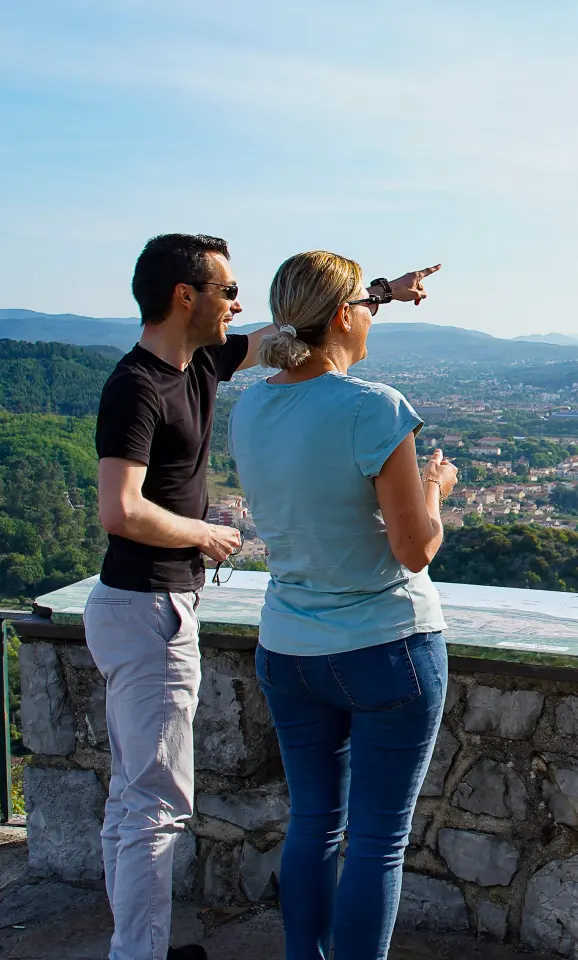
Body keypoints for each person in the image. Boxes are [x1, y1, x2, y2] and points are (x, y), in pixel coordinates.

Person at [229, 251, 453, 960]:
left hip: (289, 648)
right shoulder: (374, 408)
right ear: (342, 317)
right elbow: (415, 549)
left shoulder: (253, 403)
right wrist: (435, 488)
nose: (372, 317)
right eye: (367, 305)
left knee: (313, 824)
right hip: (387, 645)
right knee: (377, 841)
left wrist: (382, 289)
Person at [89, 233, 269, 960]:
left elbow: (282, 338)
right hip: (149, 610)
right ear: (184, 297)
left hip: (136, 607)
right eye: (227, 290)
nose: (237, 302)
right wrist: (200, 532)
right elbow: (120, 509)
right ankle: (139, 955)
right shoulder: (135, 386)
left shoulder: (196, 366)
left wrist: (377, 293)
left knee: (130, 800)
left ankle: (135, 948)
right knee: (157, 807)